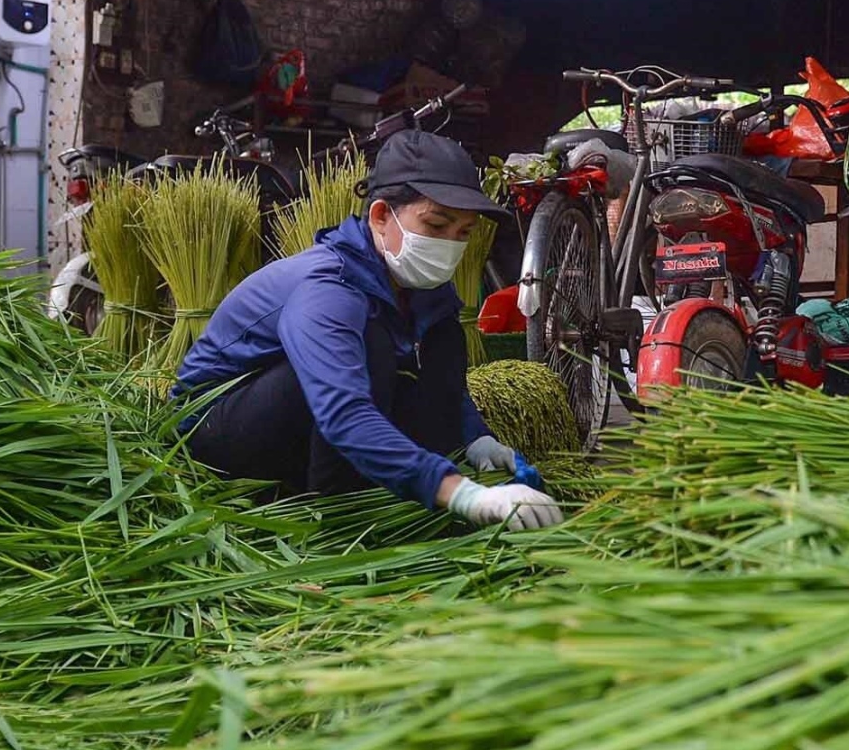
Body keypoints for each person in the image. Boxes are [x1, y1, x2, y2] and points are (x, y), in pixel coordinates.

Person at [175, 130, 564, 531]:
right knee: (371, 344)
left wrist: (476, 438)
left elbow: (442, 383)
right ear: (381, 216)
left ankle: (393, 489)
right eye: (436, 224)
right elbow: (344, 412)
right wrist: (466, 495)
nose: (450, 244)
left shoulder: (422, 287)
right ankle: (337, 515)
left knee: (442, 333)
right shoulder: (329, 289)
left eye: (463, 232)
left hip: (309, 414)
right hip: (216, 431)